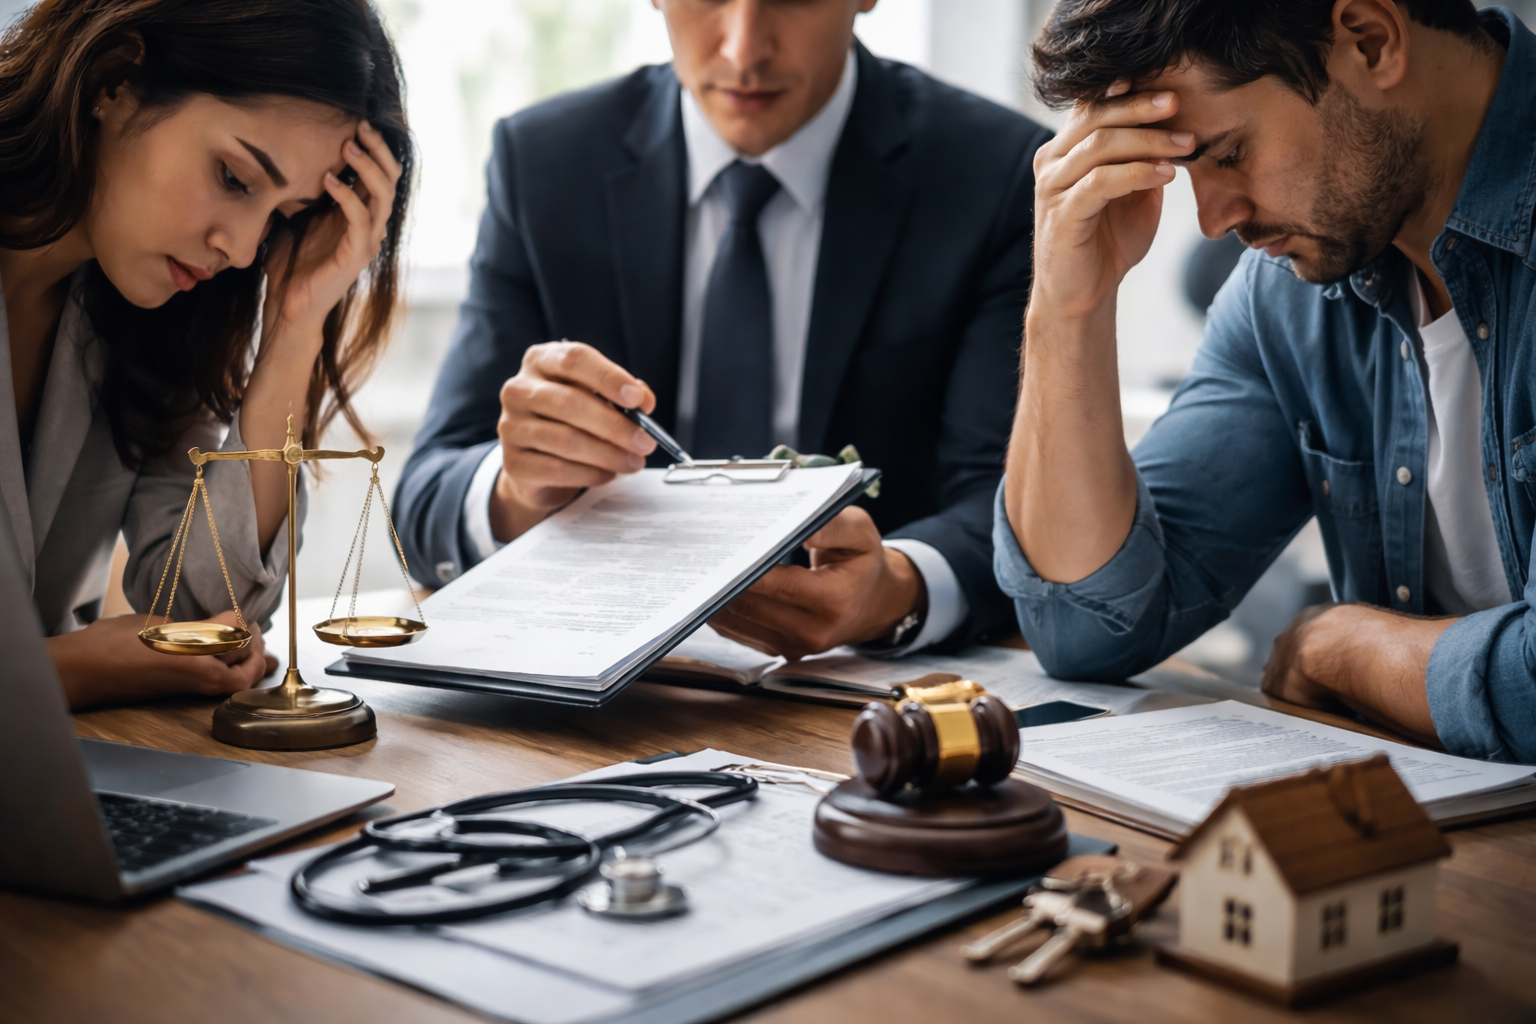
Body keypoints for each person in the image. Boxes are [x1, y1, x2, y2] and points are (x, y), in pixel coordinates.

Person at [396, 0, 1049, 660]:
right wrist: (516, 491)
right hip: (597, 686)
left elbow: (1006, 501)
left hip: (848, 695)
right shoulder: (543, 164)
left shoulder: (992, 174)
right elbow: (423, 497)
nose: (743, 50)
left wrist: (895, 589)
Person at [996, 0, 1536, 761]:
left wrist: (1337, 646)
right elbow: (1085, 626)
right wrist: (1066, 306)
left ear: (1371, 39)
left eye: (1226, 153)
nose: (1215, 221)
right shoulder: (1287, 295)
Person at [0, 0, 410, 708]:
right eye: (235, 179)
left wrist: (291, 329)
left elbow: (204, 612)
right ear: (113, 78)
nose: (244, 250)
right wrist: (62, 672)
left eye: (280, 217)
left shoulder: (144, 316)